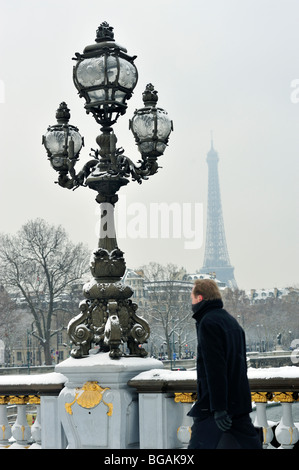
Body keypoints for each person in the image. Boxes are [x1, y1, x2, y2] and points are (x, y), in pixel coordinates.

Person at [188, 279, 262, 449]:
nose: (190, 301)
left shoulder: (208, 322)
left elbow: (215, 369)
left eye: (191, 297)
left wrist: (219, 408)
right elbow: (239, 365)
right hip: (238, 402)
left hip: (215, 408)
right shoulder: (231, 321)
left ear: (200, 298)